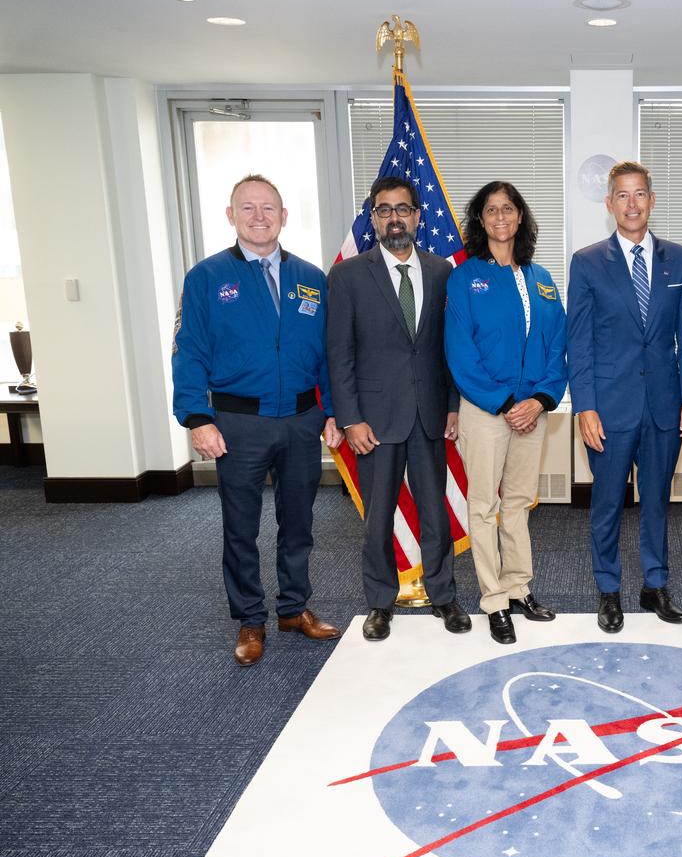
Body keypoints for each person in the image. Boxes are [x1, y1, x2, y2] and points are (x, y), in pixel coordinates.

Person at [172, 173, 345, 666]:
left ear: (284, 216)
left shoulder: (311, 277)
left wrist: (333, 411)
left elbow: (328, 353)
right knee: (241, 526)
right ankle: (250, 618)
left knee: (299, 522)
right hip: (237, 423)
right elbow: (188, 351)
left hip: (301, 420)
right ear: (231, 216)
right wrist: (197, 417)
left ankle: (293, 608)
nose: (259, 216)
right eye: (247, 208)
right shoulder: (206, 278)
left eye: (268, 207)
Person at [326, 176, 468, 642]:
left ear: (418, 216)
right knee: (378, 518)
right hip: (373, 420)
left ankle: (443, 595)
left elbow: (448, 349)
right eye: (384, 210)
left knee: (435, 514)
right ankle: (380, 602)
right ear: (373, 218)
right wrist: (350, 418)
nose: (394, 219)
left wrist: (452, 406)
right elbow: (339, 354)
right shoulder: (348, 276)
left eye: (402, 209)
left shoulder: (442, 272)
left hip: (430, 415)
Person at [566, 161, 682, 634]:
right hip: (608, 407)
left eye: (639, 194)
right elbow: (579, 342)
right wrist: (585, 407)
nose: (631, 204)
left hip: (664, 405)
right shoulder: (587, 262)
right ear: (609, 204)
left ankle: (655, 585)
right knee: (607, 504)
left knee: (657, 500)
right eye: (621, 195)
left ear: (652, 200)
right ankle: (608, 589)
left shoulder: (679, 259)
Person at [445, 181, 567, 645]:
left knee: (518, 503)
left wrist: (540, 399)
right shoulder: (464, 278)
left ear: (520, 217)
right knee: (484, 506)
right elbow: (460, 353)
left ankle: (518, 588)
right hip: (485, 410)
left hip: (533, 409)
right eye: (491, 210)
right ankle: (494, 599)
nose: (500, 217)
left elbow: (558, 345)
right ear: (480, 220)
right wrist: (503, 403)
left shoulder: (542, 277)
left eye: (508, 208)